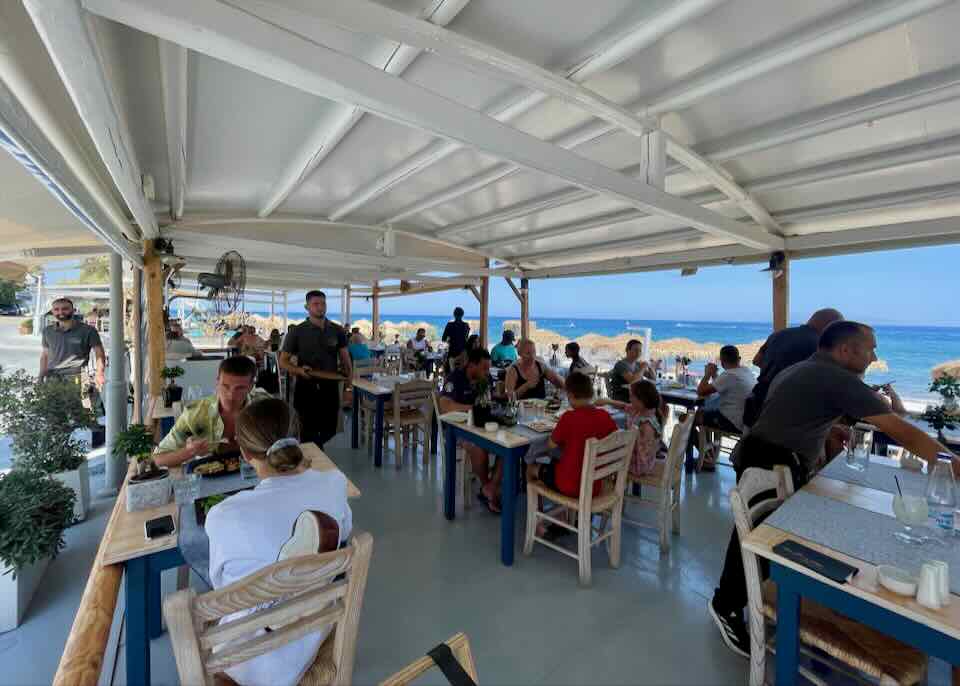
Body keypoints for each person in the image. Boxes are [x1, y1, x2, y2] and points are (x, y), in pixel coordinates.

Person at [709, 321, 960, 659]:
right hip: (773, 458)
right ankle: (725, 605)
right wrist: (952, 466)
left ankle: (758, 595)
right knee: (753, 537)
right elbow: (904, 432)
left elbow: (790, 411)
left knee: (761, 535)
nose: (874, 356)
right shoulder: (837, 378)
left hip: (763, 449)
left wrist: (828, 429)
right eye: (870, 348)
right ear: (845, 350)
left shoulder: (802, 368)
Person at [206, 397, 352, 686]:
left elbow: (224, 592)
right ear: (296, 437)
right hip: (314, 630)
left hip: (247, 663)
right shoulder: (334, 483)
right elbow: (343, 536)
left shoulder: (224, 515)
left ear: (245, 453)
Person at [526, 373, 617, 535]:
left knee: (532, 466)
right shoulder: (605, 417)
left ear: (570, 395)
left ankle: (537, 520)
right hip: (596, 485)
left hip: (570, 485)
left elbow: (550, 445)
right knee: (568, 463)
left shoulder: (569, 417)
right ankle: (565, 516)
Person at [155, 356, 268, 466]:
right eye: (225, 386)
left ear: (251, 386)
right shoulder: (196, 413)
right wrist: (190, 451)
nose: (230, 395)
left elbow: (281, 447)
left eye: (240, 388)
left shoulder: (264, 407)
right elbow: (159, 458)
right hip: (211, 476)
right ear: (217, 382)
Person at [741, 308, 843, 427]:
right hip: (788, 414)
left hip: (757, 403)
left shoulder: (778, 335)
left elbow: (756, 361)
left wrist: (774, 369)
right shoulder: (821, 347)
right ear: (831, 327)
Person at [279, 291, 352, 449]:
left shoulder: (337, 330)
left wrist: (348, 387)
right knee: (306, 431)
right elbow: (283, 361)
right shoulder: (296, 332)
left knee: (330, 429)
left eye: (323, 304)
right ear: (307, 307)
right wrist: (298, 370)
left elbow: (346, 361)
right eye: (316, 304)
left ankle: (316, 452)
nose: (320, 307)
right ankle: (316, 461)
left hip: (330, 387)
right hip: (306, 387)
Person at [439, 348, 501, 512]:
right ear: (472, 365)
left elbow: (490, 399)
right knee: (478, 448)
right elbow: (445, 406)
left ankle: (490, 486)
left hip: (481, 426)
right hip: (457, 430)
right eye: (484, 368)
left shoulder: (485, 379)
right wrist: (472, 408)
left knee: (507, 447)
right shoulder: (455, 378)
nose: (487, 372)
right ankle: (487, 486)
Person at [692, 346, 756, 469]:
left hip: (733, 421)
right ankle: (709, 456)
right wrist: (715, 375)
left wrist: (707, 374)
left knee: (688, 420)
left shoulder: (729, 375)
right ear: (739, 359)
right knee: (703, 413)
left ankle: (706, 458)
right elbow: (724, 386)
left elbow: (701, 391)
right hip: (746, 421)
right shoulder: (745, 371)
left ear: (721, 361)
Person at [602, 379, 666, 476]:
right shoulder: (644, 411)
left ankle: (617, 487)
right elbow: (624, 406)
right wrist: (607, 401)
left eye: (631, 396)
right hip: (645, 460)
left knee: (604, 459)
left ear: (642, 400)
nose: (629, 399)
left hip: (639, 465)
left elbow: (641, 453)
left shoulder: (646, 425)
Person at [39, 297, 105, 386]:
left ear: (73, 310)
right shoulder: (47, 331)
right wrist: (41, 376)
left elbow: (99, 353)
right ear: (52, 311)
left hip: (78, 377)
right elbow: (45, 355)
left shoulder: (88, 330)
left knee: (80, 400)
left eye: (65, 309)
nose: (60, 312)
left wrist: (99, 373)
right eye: (56, 309)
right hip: (52, 377)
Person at [441, 307, 470, 371]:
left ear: (454, 315)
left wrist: (450, 340)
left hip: (452, 351)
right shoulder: (466, 325)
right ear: (462, 315)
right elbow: (466, 338)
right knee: (462, 370)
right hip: (463, 352)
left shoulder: (450, 325)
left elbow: (443, 339)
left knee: (450, 370)